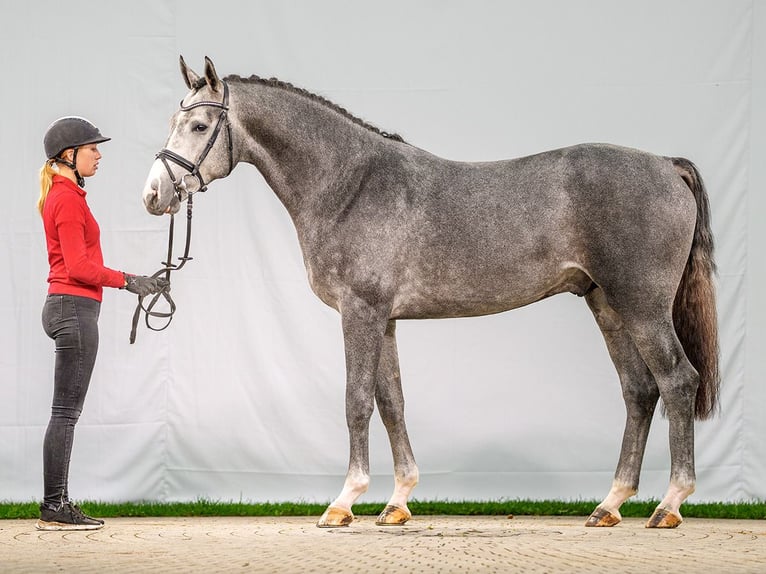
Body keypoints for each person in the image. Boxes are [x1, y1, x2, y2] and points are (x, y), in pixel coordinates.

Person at [36, 116, 168, 531]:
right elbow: (78, 266)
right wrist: (130, 281)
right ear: (69, 155)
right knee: (65, 414)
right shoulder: (68, 199)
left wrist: (131, 281)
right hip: (72, 309)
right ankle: (55, 506)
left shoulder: (66, 194)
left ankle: (55, 503)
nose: (99, 154)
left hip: (69, 308)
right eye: (92, 148)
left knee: (64, 413)